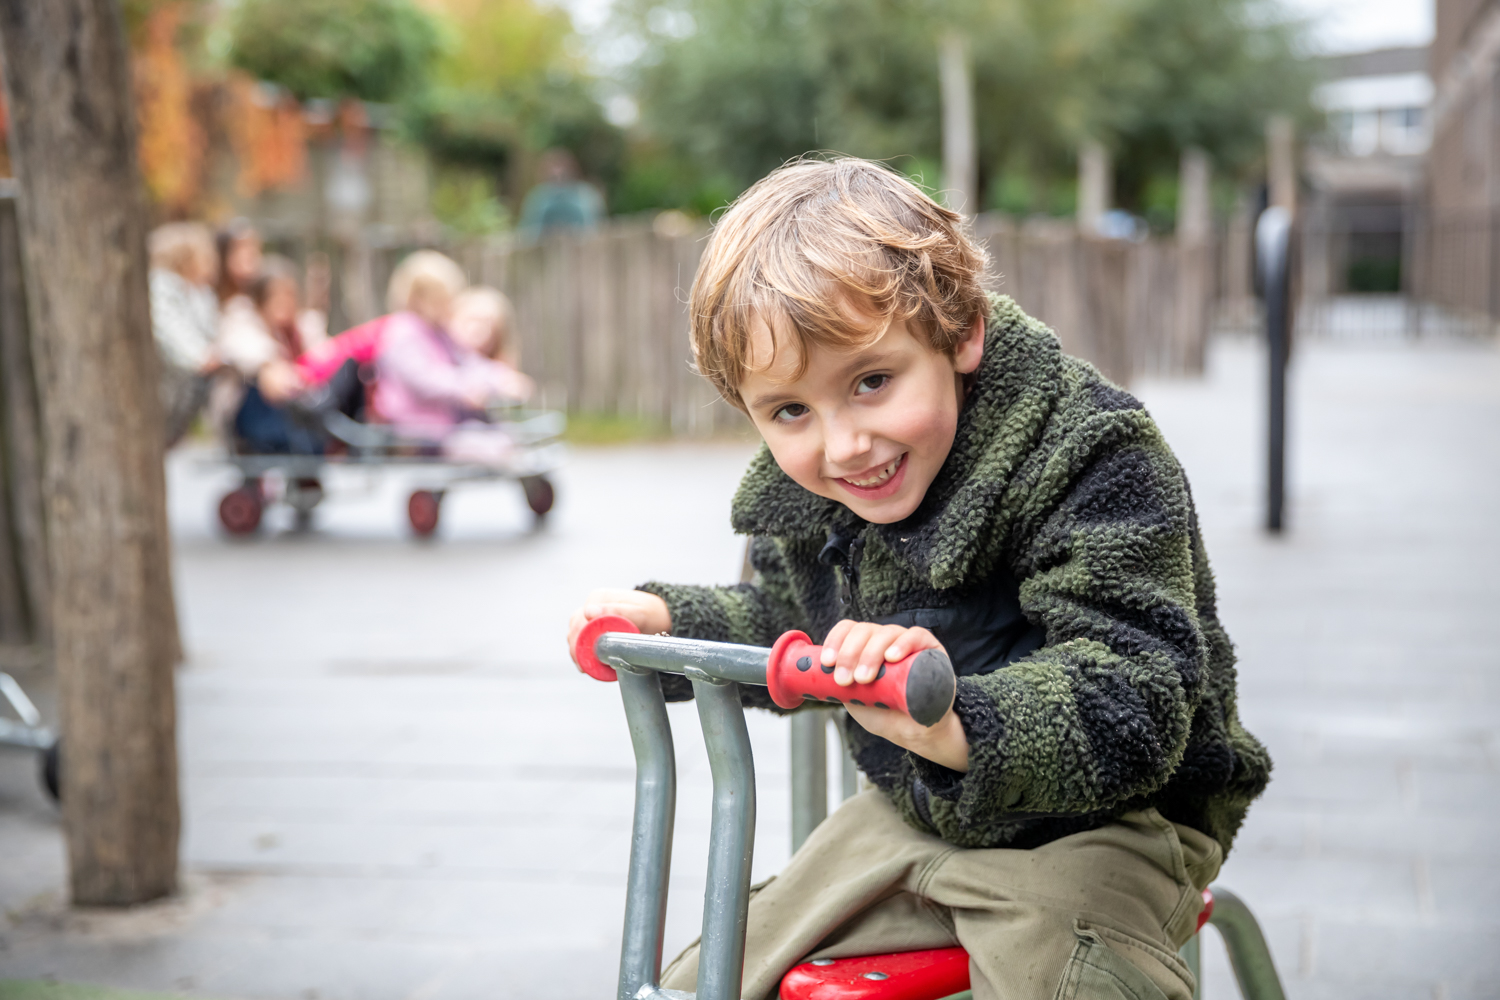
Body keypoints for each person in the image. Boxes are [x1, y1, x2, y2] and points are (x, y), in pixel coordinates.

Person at [564, 159, 1270, 1000]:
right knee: (714, 974)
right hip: (911, 812)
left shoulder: (1089, 455)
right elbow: (794, 619)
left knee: (1069, 974)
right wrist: (672, 619)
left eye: (871, 383)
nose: (842, 446)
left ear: (962, 331)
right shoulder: (816, 494)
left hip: (1110, 821)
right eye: (790, 410)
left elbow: (1135, 693)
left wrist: (958, 718)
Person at [372, 253, 532, 463]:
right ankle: (507, 456)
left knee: (496, 432)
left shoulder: (437, 331)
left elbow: (467, 362)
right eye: (444, 300)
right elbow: (424, 381)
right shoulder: (403, 333)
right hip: (418, 426)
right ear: (420, 298)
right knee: (484, 446)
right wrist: (465, 390)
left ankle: (512, 451)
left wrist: (501, 378)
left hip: (445, 422)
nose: (450, 307)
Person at [147, 221, 221, 445]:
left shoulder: (197, 293)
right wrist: (201, 356)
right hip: (165, 392)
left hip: (181, 393)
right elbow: (171, 331)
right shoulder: (164, 287)